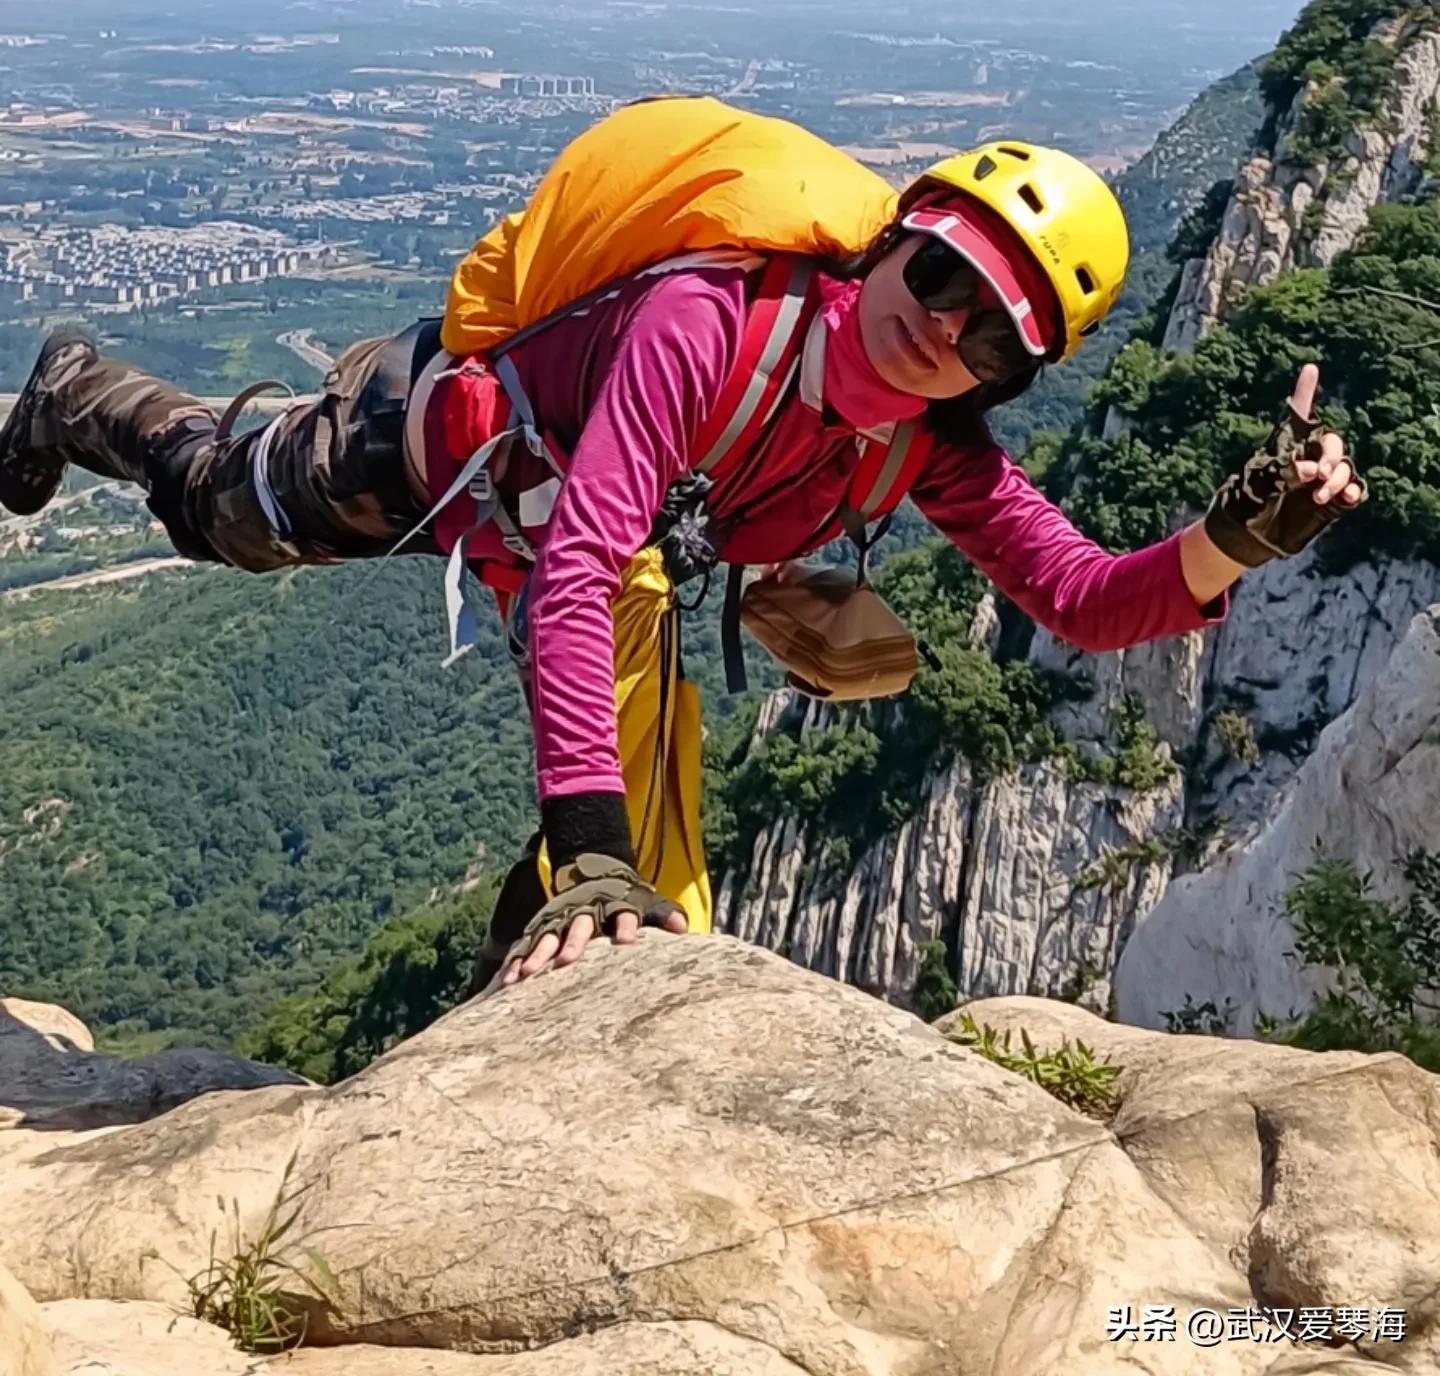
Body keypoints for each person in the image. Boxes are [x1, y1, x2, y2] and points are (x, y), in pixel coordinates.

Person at [0, 125, 1364, 990]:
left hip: (572, 538)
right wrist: (595, 844)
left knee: (630, 756)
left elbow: (1084, 600)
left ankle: (534, 986)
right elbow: (586, 555)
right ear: (892, 243)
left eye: (992, 334)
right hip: (429, 442)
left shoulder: (927, 454)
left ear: (1010, 376)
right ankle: (74, 390)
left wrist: (1234, 536)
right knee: (218, 505)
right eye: (938, 273)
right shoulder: (710, 321)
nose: (941, 327)